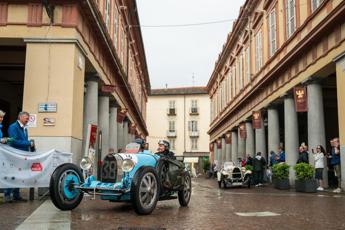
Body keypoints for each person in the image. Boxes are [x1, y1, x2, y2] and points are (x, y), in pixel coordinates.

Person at [5, 111, 34, 202]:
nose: (28, 120)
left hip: (22, 156)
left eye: (28, 118)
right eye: (26, 118)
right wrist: (28, 143)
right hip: (15, 155)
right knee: (12, 175)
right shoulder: (13, 127)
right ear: (20, 117)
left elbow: (23, 140)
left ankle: (16, 195)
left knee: (20, 175)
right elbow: (13, 141)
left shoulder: (25, 128)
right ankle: (7, 195)